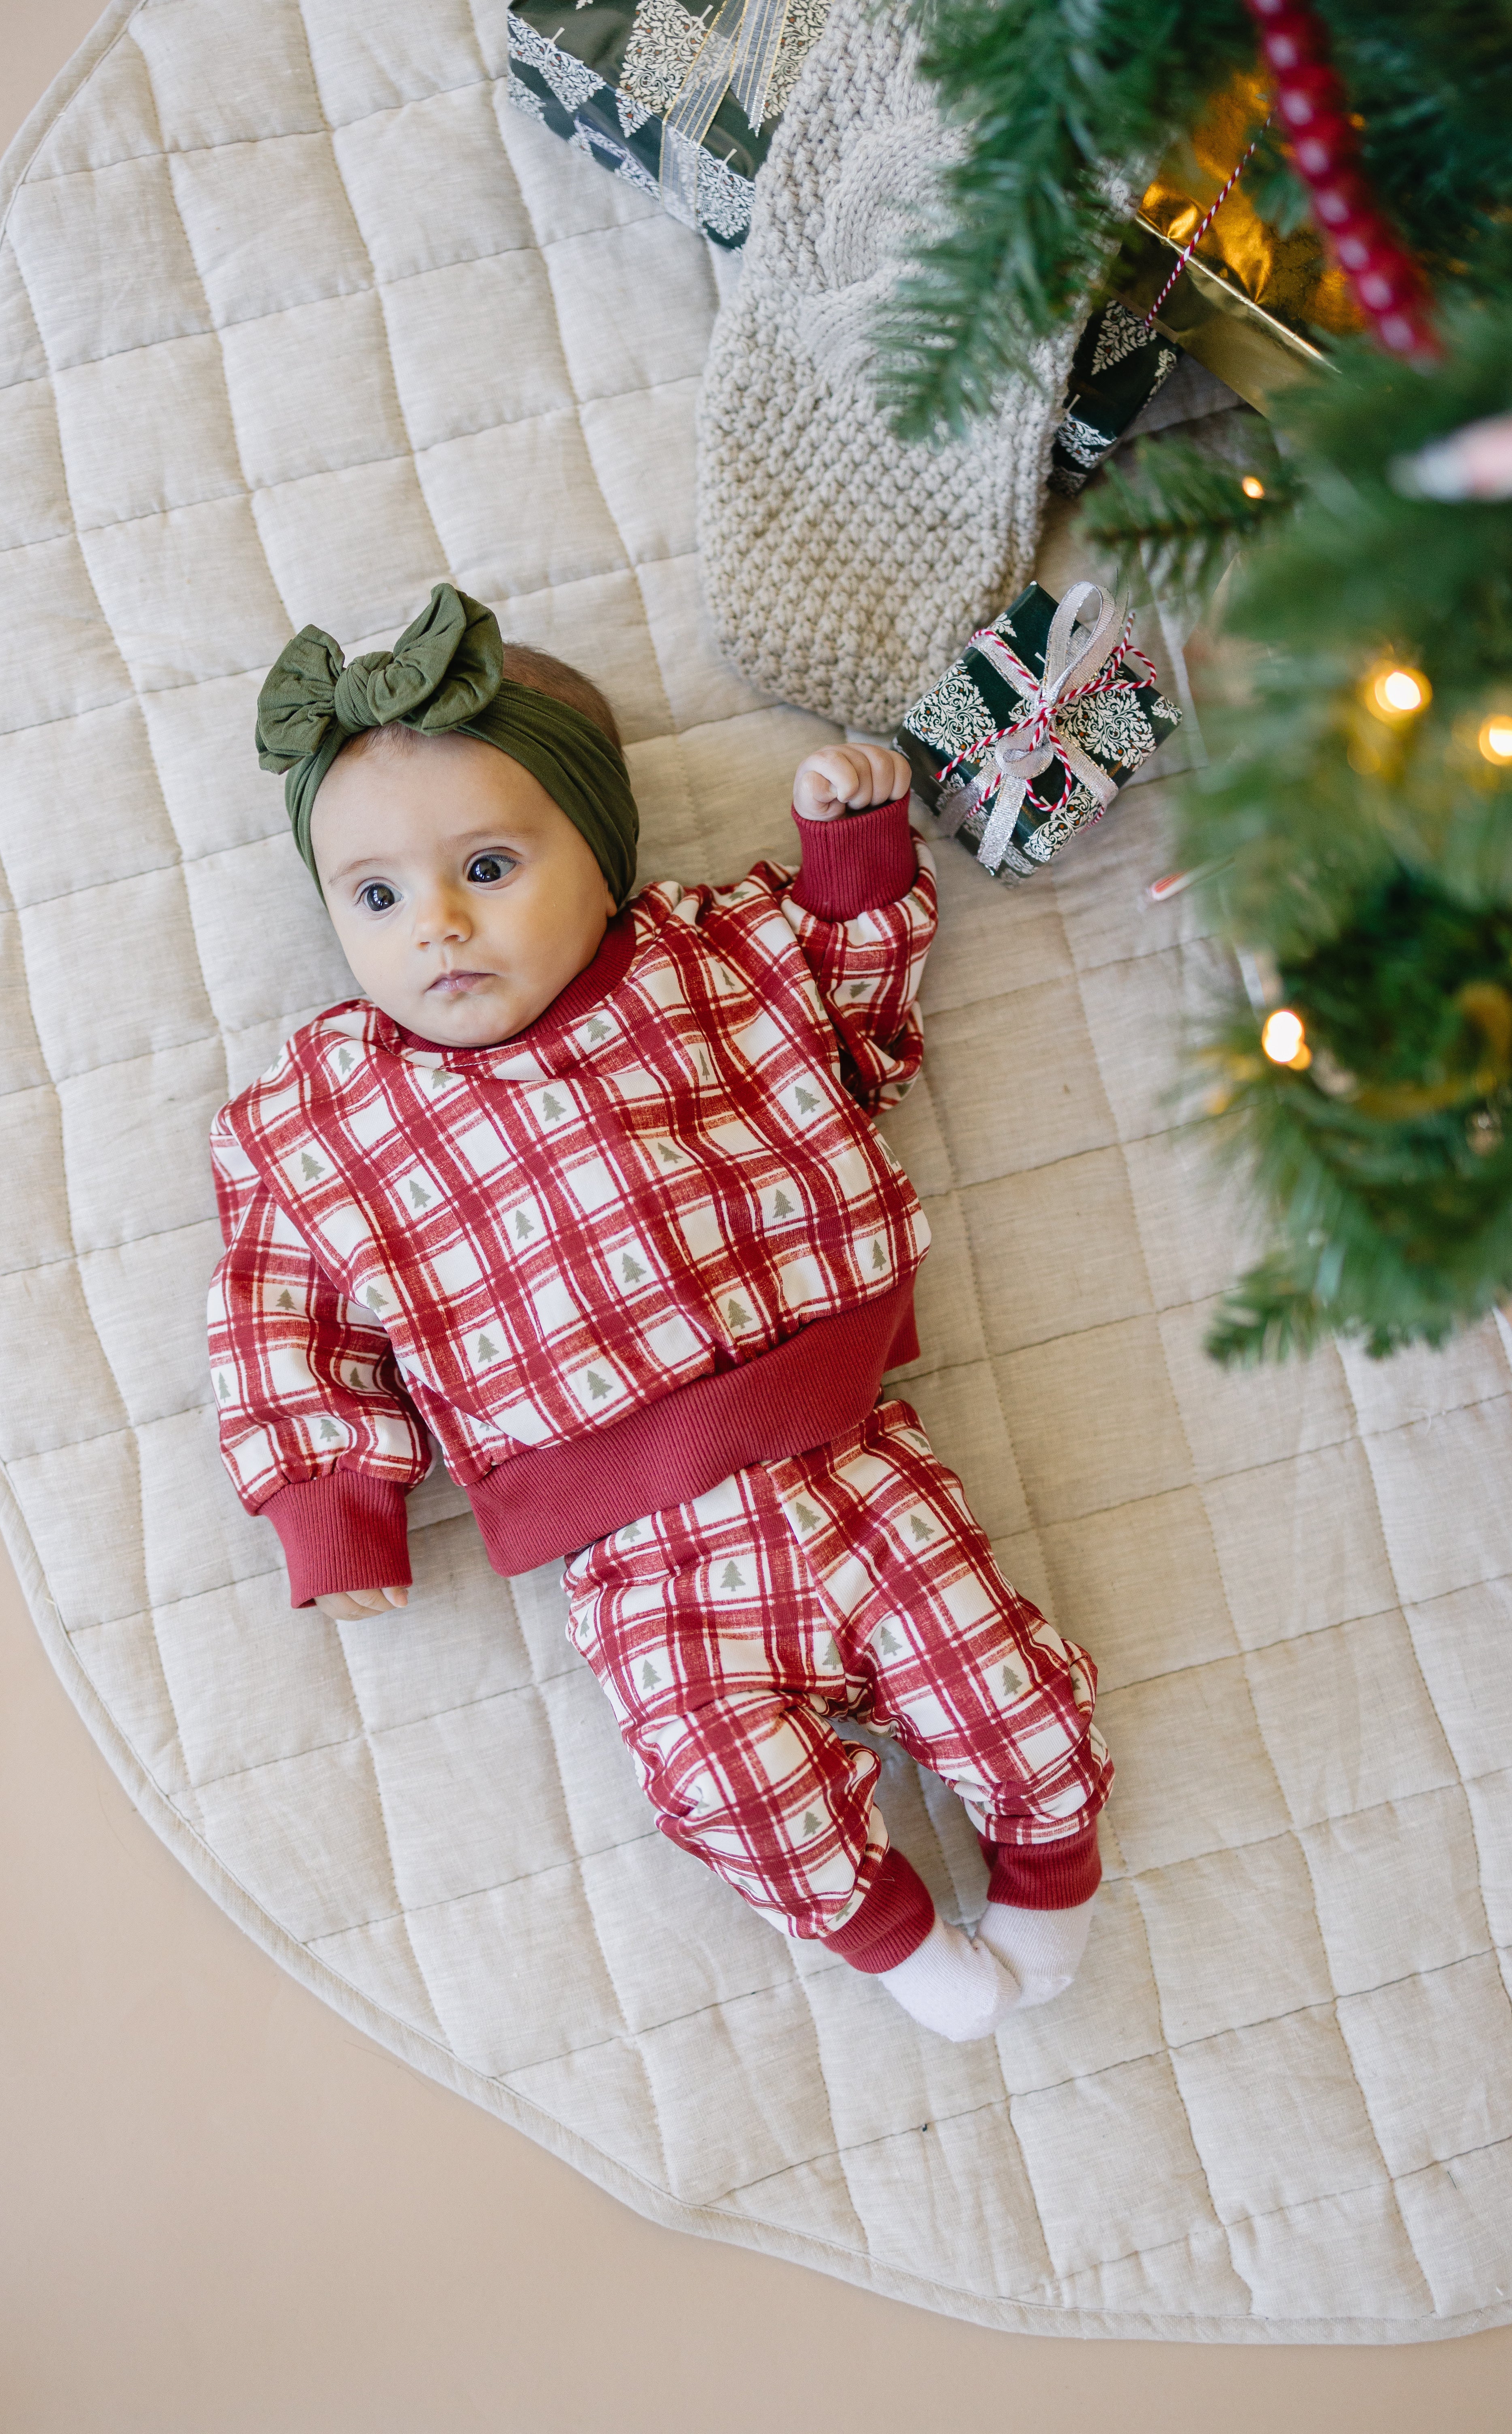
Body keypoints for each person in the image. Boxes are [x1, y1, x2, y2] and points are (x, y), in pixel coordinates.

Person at [208, 587, 1112, 2042]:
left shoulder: (704, 963)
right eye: (373, 898)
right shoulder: (324, 1117)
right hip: (637, 1563)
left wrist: (855, 850)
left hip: (849, 1456)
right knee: (719, 1777)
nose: (432, 926)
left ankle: (1051, 1871)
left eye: (486, 866)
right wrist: (332, 1500)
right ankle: (890, 1941)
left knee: (1000, 1687)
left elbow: (858, 1007)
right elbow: (275, 1314)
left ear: (602, 856)